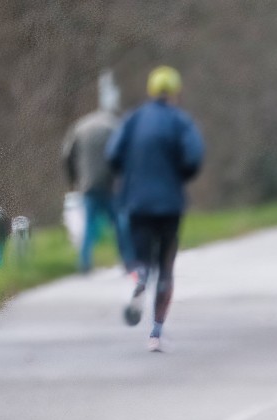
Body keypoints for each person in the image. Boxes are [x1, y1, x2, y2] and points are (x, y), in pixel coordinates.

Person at [106, 65, 204, 352]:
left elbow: (113, 154)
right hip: (170, 203)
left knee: (141, 257)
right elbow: (194, 157)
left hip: (137, 200)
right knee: (167, 267)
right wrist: (179, 176)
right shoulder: (180, 121)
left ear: (150, 90)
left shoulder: (132, 119)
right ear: (175, 92)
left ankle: (140, 278)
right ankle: (156, 333)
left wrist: (130, 174)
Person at [62, 84, 133, 274]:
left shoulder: (80, 127)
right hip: (111, 185)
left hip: (87, 184)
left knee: (89, 226)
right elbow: (124, 155)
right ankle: (128, 261)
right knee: (120, 224)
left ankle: (84, 264)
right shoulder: (114, 126)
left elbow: (67, 155)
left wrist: (74, 180)